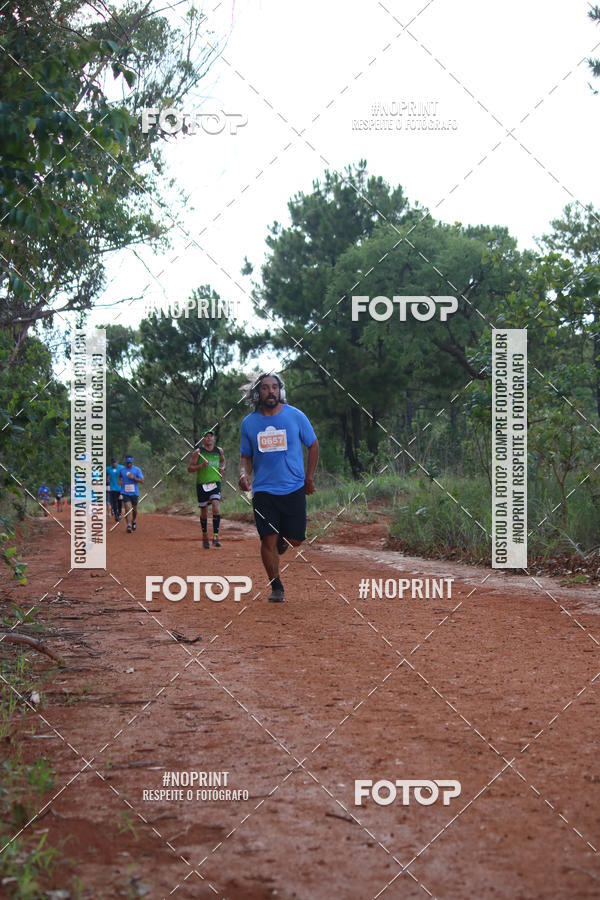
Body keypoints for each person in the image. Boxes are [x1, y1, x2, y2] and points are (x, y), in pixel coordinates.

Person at [239, 373, 318, 603]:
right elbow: (246, 456)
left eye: (275, 387)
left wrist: (309, 477)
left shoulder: (295, 416)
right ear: (257, 393)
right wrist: (244, 474)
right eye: (265, 388)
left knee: (295, 539)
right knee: (267, 539)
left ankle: (283, 541)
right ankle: (276, 586)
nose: (270, 392)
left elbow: (313, 444)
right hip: (263, 490)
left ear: (280, 391)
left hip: (293, 487)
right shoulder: (249, 423)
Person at [187, 430, 225, 549]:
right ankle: (205, 536)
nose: (209, 438)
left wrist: (222, 468)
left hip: (215, 483)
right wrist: (200, 466)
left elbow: (223, 461)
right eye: (206, 437)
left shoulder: (219, 451)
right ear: (203, 439)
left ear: (213, 439)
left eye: (210, 436)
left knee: (215, 507)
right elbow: (189, 468)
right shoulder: (198, 452)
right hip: (202, 484)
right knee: (204, 512)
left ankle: (216, 536)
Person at [119, 455, 144, 533]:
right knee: (127, 508)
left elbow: (142, 481)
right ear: (125, 462)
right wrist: (119, 482)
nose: (128, 464)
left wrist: (133, 478)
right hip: (125, 492)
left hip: (134, 493)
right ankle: (128, 525)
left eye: (130, 463)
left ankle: (133, 520)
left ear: (132, 462)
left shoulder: (137, 470)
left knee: (135, 510)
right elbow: (119, 477)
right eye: (127, 463)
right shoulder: (122, 470)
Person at [106, 457, 123, 522]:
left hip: (120, 488)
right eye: (113, 463)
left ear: (117, 462)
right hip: (112, 488)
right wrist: (107, 484)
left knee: (120, 501)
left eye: (115, 463)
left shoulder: (121, 468)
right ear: (111, 463)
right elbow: (106, 476)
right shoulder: (108, 469)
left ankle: (119, 513)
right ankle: (116, 515)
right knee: (114, 502)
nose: (114, 464)